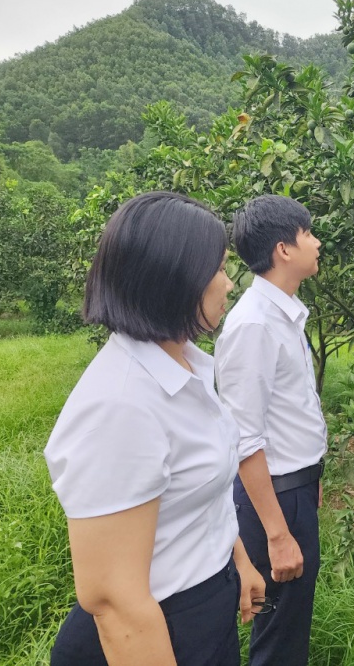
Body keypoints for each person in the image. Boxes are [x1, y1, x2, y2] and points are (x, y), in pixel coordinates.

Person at [44, 191, 267, 666]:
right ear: (176, 278)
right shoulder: (119, 407)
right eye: (220, 269)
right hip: (150, 633)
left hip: (202, 608)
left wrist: (237, 562)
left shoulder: (184, 370)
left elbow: (195, 493)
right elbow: (115, 602)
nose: (229, 284)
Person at [214, 194, 326, 666]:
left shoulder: (282, 314)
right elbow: (244, 439)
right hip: (273, 501)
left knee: (288, 624)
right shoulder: (254, 325)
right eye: (308, 234)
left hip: (292, 490)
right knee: (277, 637)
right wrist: (278, 534)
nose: (317, 243)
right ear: (284, 249)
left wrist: (310, 480)